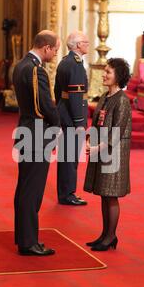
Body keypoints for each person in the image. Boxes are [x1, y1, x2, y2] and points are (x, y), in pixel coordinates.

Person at [13, 30, 61, 256]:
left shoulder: (20, 65)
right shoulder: (36, 70)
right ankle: (29, 242)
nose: (55, 55)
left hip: (24, 132)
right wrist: (58, 124)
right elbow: (45, 105)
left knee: (24, 189)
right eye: (55, 50)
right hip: (37, 136)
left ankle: (24, 238)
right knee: (32, 192)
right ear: (46, 48)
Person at [84, 58, 132, 252]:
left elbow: (117, 131)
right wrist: (89, 136)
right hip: (102, 148)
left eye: (108, 72)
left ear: (118, 77)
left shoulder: (122, 100)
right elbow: (97, 122)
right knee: (104, 193)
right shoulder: (104, 96)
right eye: (104, 71)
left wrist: (96, 148)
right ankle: (105, 235)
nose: (103, 74)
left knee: (111, 195)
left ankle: (111, 236)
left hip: (114, 152)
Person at [54, 31, 89, 206]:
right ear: (77, 45)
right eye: (85, 42)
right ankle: (67, 194)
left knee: (66, 156)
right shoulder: (74, 64)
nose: (88, 43)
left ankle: (65, 192)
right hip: (72, 116)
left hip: (64, 113)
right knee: (70, 157)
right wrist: (79, 122)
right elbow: (76, 96)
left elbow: (57, 92)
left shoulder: (65, 62)